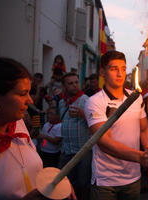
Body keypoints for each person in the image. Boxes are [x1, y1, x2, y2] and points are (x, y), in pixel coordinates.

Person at [84, 50, 148, 200]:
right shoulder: (94, 102)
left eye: (123, 69)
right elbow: (104, 142)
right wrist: (141, 157)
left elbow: (144, 130)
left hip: (133, 178)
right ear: (102, 72)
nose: (120, 74)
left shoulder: (135, 98)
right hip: (106, 181)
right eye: (113, 69)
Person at [0, 58, 44, 199]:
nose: (30, 100)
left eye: (29, 93)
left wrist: (54, 184)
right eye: (23, 94)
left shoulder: (19, 123)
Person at [58, 72, 92, 200]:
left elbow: (97, 124)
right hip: (66, 150)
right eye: (70, 83)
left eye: (76, 82)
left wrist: (83, 114)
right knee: (63, 184)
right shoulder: (62, 102)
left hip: (82, 152)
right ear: (64, 86)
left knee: (83, 185)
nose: (74, 86)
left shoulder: (86, 101)